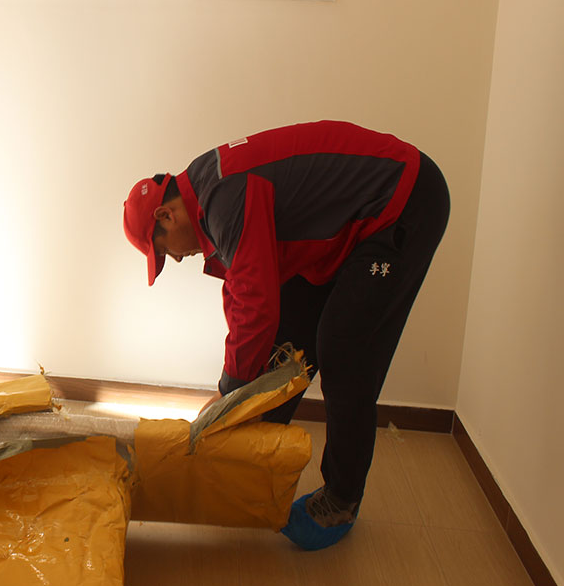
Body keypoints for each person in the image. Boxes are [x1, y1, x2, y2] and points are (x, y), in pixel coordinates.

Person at [123, 121, 449, 550]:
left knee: (343, 348)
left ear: (166, 215)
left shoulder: (223, 196)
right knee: (290, 337)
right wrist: (233, 400)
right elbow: (242, 288)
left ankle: (341, 500)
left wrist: (228, 391)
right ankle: (251, 459)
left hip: (401, 203)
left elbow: (255, 303)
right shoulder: (209, 193)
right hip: (353, 225)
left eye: (166, 250)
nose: (179, 258)